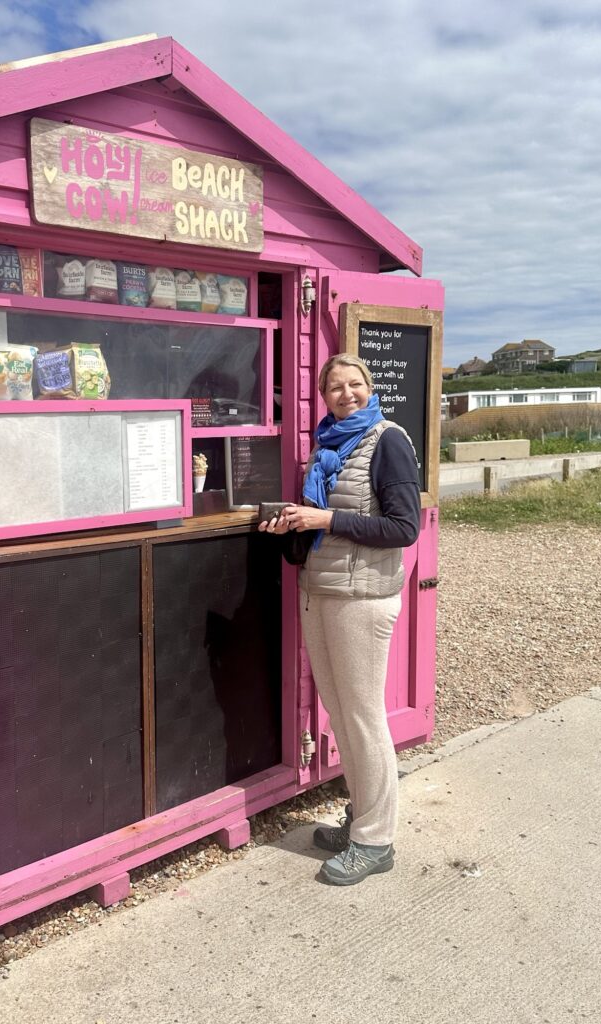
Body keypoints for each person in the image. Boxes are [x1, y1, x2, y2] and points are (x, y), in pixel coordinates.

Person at [259, 353, 421, 885]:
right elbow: (322, 530)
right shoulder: (326, 445)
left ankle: (376, 842)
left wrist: (327, 517)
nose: (346, 394)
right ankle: (361, 816)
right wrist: (295, 527)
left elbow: (403, 527)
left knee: (362, 715)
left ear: (370, 388)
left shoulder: (387, 440)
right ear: (323, 397)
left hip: (362, 597)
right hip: (321, 590)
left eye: (355, 385)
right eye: (335, 388)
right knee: (340, 710)